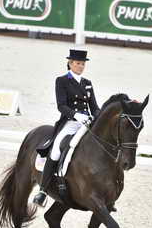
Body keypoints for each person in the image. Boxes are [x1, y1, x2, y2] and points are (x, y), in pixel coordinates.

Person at [33, 49, 101, 207]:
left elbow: (95, 107)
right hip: (70, 122)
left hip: (87, 122)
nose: (81, 66)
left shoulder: (87, 83)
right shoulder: (62, 81)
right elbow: (61, 105)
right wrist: (77, 115)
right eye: (78, 63)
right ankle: (42, 191)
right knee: (56, 149)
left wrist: (98, 116)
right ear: (70, 64)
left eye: (83, 64)